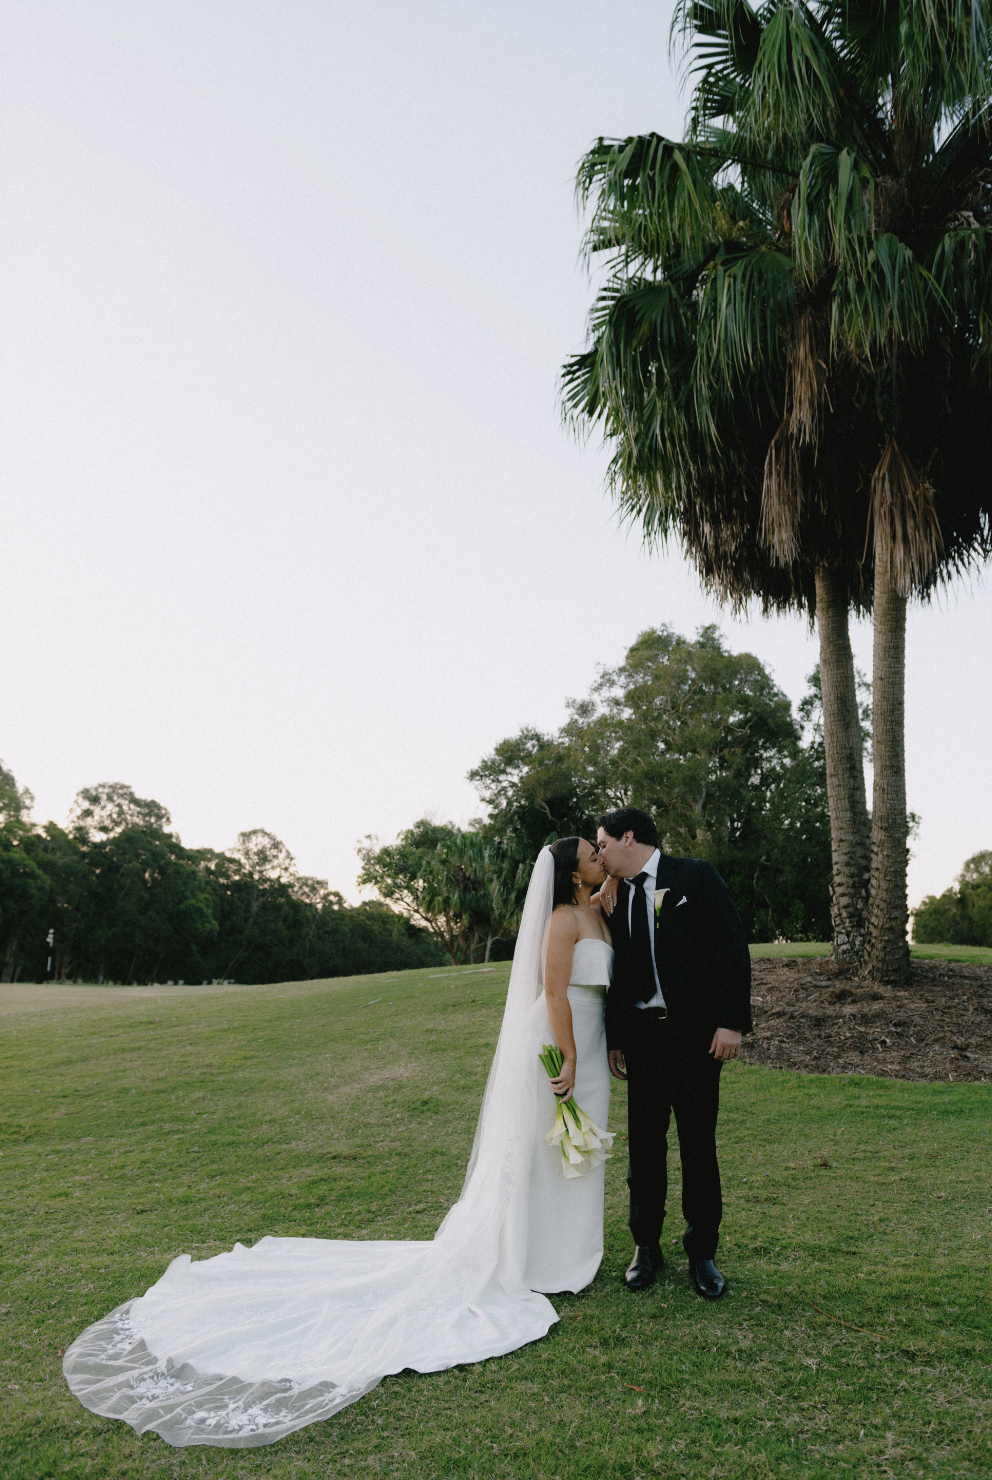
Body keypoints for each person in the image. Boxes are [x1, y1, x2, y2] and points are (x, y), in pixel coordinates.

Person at [62, 841, 613, 1449]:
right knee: (537, 1151)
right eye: (590, 853)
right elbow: (555, 992)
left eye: (600, 850)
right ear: (568, 872)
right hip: (563, 1042)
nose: (598, 856)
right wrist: (568, 1053)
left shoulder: (597, 910)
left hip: (591, 1040)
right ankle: (526, 1256)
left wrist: (606, 901)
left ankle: (564, 1255)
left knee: (573, 1152)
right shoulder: (563, 920)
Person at [595, 806, 751, 1301]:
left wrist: (731, 1022)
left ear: (627, 836)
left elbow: (731, 947)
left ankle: (702, 1252)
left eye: (602, 844)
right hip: (643, 1040)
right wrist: (616, 1036)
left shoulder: (695, 876)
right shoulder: (612, 897)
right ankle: (645, 1248)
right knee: (644, 1147)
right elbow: (616, 972)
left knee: (698, 1145)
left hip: (697, 1039)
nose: (599, 855)